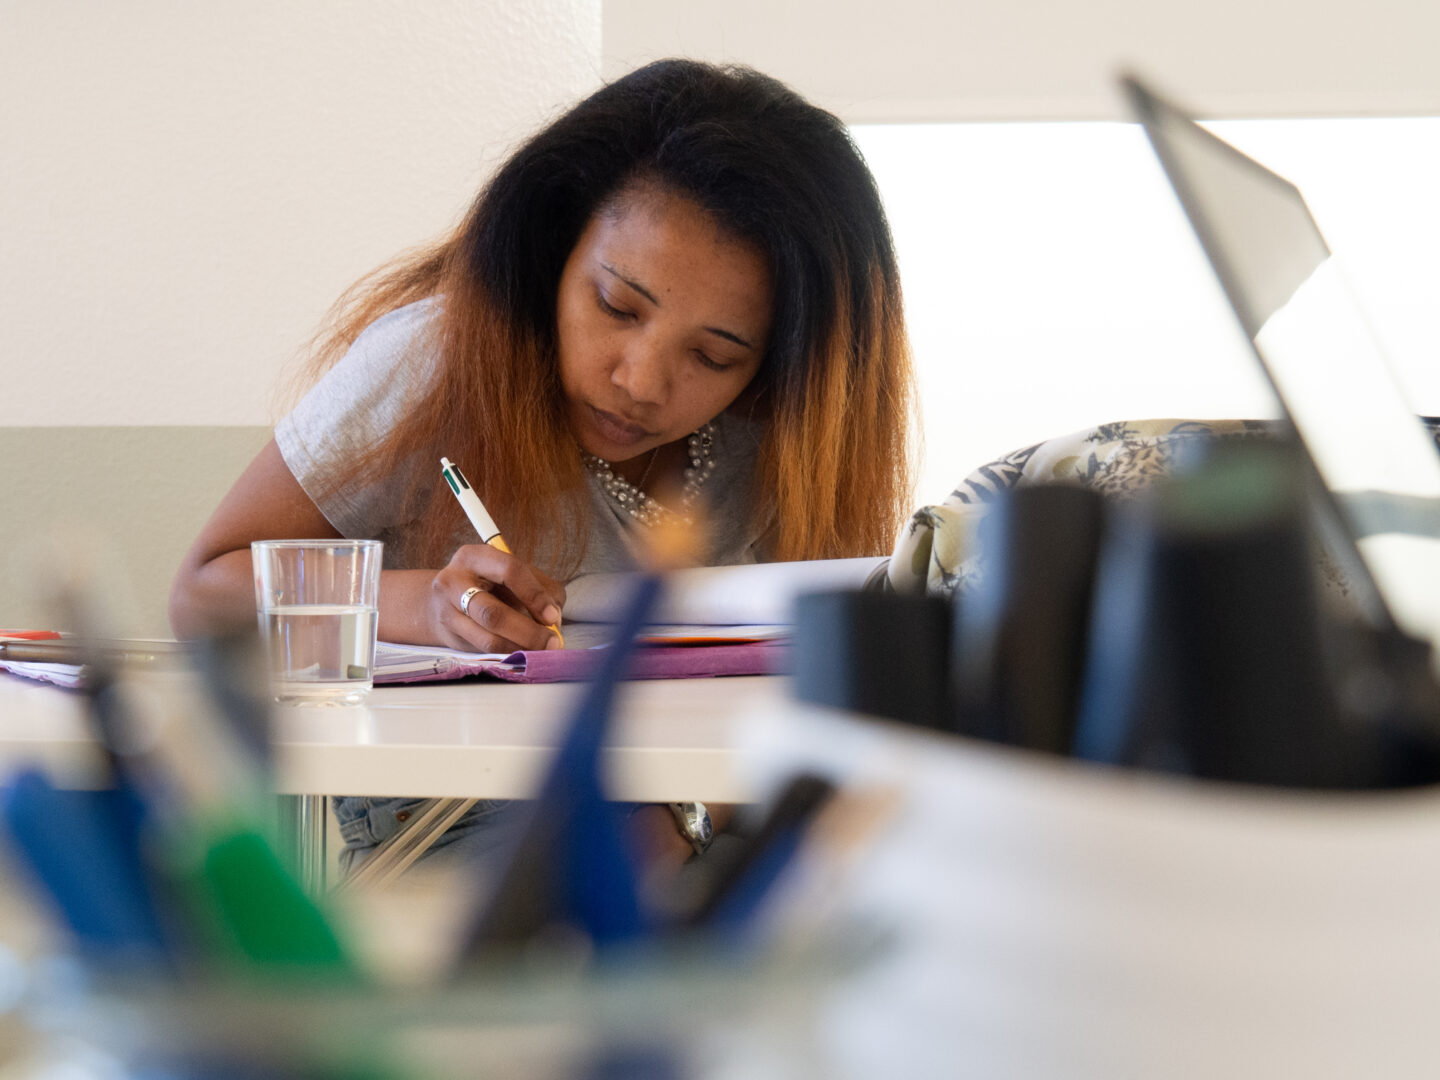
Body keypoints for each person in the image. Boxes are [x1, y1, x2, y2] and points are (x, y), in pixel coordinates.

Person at [169, 58, 917, 873]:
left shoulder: (780, 437)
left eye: (714, 355)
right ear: (555, 246)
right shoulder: (436, 361)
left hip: (700, 810)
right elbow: (206, 593)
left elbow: (819, 696)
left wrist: (685, 813)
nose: (640, 381)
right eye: (616, 306)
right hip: (444, 822)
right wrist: (425, 605)